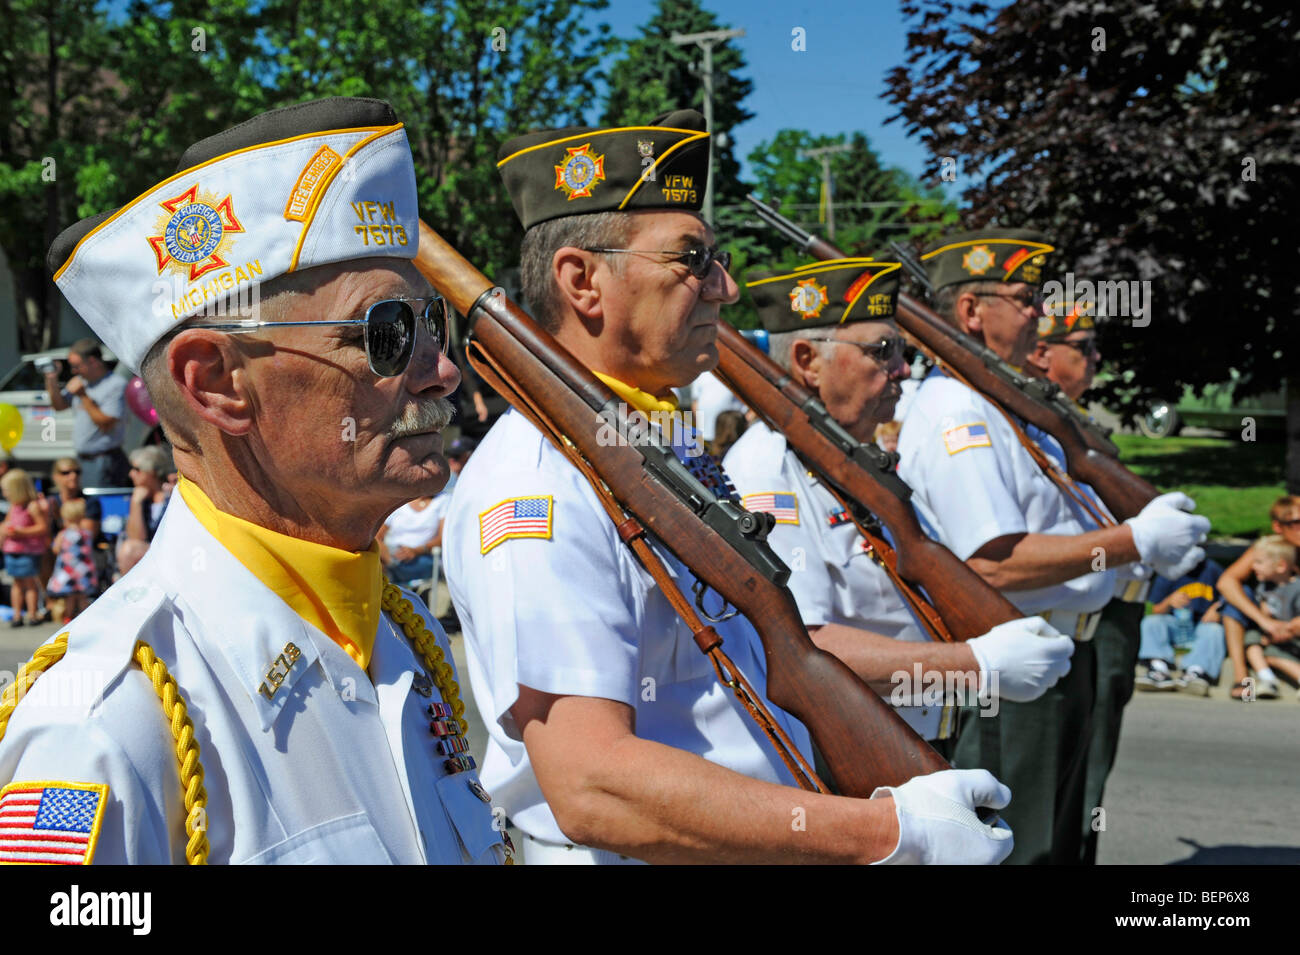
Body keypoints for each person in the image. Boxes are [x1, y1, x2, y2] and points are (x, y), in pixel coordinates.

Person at [444, 109, 1017, 866]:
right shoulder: (537, 481)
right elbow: (592, 783)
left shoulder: (650, 444)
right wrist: (883, 832)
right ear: (583, 280)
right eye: (693, 260)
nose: (728, 286)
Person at [0, 97, 504, 864]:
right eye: (388, 333)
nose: (441, 369)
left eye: (432, 324)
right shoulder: (104, 724)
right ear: (216, 383)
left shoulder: (407, 638)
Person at [896, 229, 1210, 864]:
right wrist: (1134, 539)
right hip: (1020, 672)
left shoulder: (1003, 404)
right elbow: (992, 562)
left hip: (1061, 658)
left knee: (1063, 846)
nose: (1041, 309)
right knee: (1028, 851)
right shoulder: (962, 413)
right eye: (1024, 297)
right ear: (970, 313)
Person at [724, 258, 1074, 753]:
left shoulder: (863, 464)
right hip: (853, 754)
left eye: (902, 350)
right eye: (882, 351)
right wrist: (973, 665)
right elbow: (807, 642)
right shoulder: (768, 467)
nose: (903, 369)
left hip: (920, 735)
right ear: (807, 360)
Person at [1025, 297, 1158, 863]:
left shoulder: (1070, 425)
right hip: (1072, 621)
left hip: (1110, 613)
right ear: (1041, 354)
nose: (1097, 357)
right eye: (1083, 348)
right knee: (1053, 795)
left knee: (1086, 777)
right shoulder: (1030, 425)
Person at [1216, 495, 1300, 699]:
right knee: (1232, 601)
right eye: (1296, 523)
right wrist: (1266, 622)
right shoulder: (1270, 549)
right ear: (1278, 527)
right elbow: (1226, 582)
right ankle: (1242, 679)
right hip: (1271, 626)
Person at [44, 338, 131, 489]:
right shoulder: (82, 382)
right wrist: (52, 380)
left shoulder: (115, 385)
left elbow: (107, 424)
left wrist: (84, 396)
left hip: (104, 461)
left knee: (98, 508)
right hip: (82, 461)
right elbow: (59, 405)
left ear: (92, 361)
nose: (73, 371)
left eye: (77, 366)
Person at [1134, 559, 1231, 694]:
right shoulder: (1167, 570)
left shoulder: (1212, 569)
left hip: (1202, 626)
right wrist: (1169, 601)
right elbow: (1155, 609)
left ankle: (1195, 672)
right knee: (1151, 622)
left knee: (1215, 630)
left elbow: (1232, 591)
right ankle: (1158, 668)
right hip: (1175, 624)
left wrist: (1217, 608)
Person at [1237, 535, 1300, 698]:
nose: (1253, 566)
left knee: (1272, 655)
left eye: (1259, 562)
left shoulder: (1296, 588)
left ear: (1280, 566)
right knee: (1252, 640)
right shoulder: (1264, 586)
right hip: (1275, 639)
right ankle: (1268, 680)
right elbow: (1265, 613)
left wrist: (1287, 631)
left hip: (1293, 638)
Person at [0, 469, 51, 626]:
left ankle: (32, 613)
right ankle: (17, 614)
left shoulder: (32, 507)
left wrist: (21, 531)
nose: (5, 494)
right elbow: (6, 524)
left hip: (28, 552)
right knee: (17, 583)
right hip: (12, 551)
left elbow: (42, 527)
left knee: (30, 584)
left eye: (7, 490)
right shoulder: (14, 507)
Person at [116, 444, 173, 576]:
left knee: (129, 551)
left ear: (151, 471)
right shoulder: (141, 499)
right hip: (150, 553)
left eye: (137, 469)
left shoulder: (172, 496)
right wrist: (136, 503)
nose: (131, 474)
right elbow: (136, 539)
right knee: (129, 549)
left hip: (171, 552)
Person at [47, 498, 98, 623]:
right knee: (82, 596)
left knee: (70, 597)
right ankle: (85, 618)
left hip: (68, 570)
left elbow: (56, 549)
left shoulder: (63, 534)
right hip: (83, 570)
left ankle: (68, 617)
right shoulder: (86, 533)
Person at [690, 369, 747, 445]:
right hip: (705, 435)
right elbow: (695, 402)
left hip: (731, 435)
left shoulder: (737, 373)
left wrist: (743, 422)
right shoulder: (700, 372)